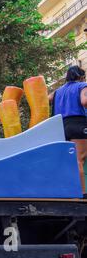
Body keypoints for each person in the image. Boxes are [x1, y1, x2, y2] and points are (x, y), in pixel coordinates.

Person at [49, 65, 87, 196]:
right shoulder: (82, 86)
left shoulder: (58, 91)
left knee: (67, 161)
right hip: (78, 124)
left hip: (61, 126)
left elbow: (46, 99)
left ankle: (66, 191)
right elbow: (84, 101)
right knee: (79, 160)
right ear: (80, 77)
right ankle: (82, 194)